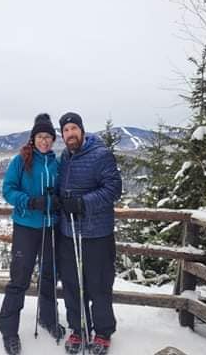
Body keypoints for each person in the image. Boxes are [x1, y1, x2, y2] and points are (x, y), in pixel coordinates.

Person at [0, 113, 65, 355]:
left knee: (49, 276)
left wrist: (58, 201)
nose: (45, 141)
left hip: (51, 227)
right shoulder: (21, 161)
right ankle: (9, 331)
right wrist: (29, 201)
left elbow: (62, 191)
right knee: (19, 279)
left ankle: (48, 319)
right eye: (40, 136)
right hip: (26, 227)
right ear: (33, 138)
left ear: (53, 139)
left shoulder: (57, 164)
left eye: (48, 137)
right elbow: (7, 190)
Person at [57, 112, 122, 355]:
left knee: (99, 285)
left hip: (97, 234)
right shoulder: (65, 156)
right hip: (69, 233)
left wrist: (83, 203)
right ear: (62, 134)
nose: (70, 133)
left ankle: (103, 331)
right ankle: (78, 328)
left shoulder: (101, 155)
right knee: (73, 285)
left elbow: (114, 188)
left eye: (74, 128)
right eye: (65, 130)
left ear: (82, 130)